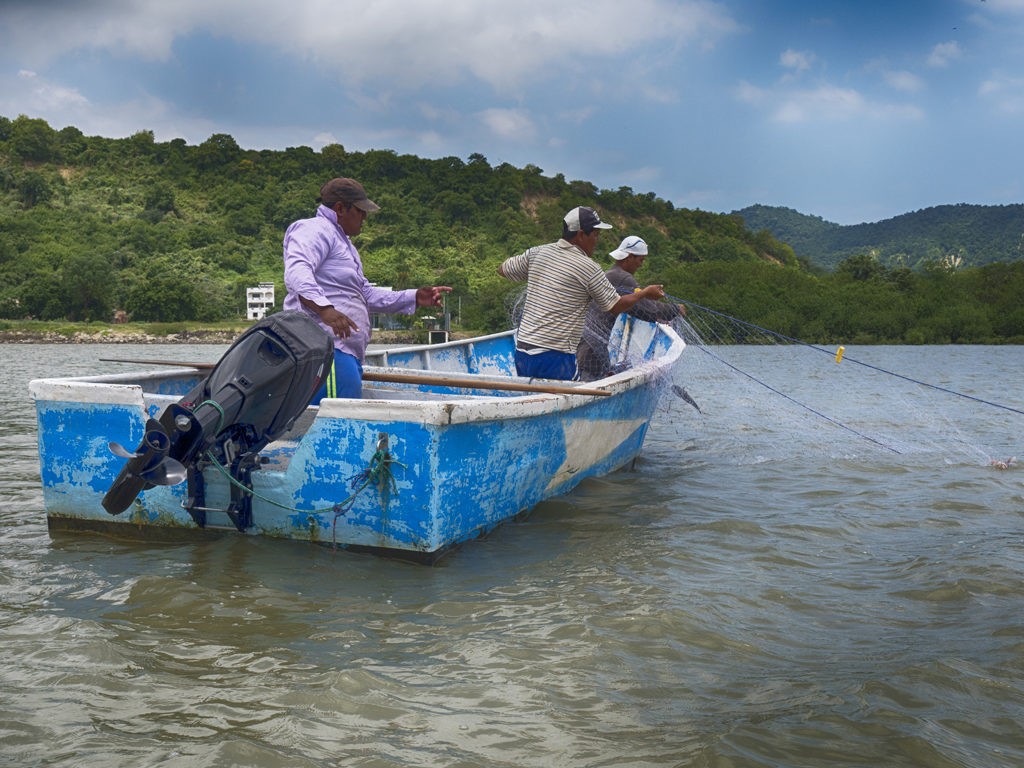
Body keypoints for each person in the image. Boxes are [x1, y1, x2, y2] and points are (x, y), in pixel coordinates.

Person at [283, 177, 451, 401]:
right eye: (360, 211)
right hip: (325, 353)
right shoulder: (314, 229)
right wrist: (325, 309)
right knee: (338, 428)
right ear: (341, 208)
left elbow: (364, 294)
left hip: (344, 356)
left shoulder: (345, 244)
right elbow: (297, 273)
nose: (364, 217)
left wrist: (414, 297)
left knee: (345, 427)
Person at [498, 206, 665, 380]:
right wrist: (644, 293)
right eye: (595, 235)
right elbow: (615, 306)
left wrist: (538, 271)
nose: (597, 240)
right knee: (579, 388)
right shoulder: (589, 267)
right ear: (580, 235)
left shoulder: (537, 253)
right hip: (555, 358)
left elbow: (503, 269)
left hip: (523, 354)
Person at [576, 235, 685, 381]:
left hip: (584, 344)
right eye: (640, 260)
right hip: (593, 349)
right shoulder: (623, 278)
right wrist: (676, 309)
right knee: (590, 386)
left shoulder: (610, 274)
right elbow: (648, 310)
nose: (641, 264)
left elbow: (635, 307)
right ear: (629, 258)